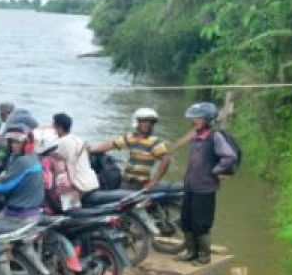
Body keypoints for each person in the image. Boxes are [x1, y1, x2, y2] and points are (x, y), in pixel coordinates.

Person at [178, 102, 236, 265]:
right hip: (190, 186)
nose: (193, 122)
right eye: (193, 119)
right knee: (186, 220)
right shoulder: (196, 137)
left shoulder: (214, 137)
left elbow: (229, 157)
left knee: (201, 224)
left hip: (205, 188)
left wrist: (215, 171)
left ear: (207, 120)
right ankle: (190, 252)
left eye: (197, 119)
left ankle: (204, 256)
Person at [91, 107, 170, 190]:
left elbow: (166, 160)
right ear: (137, 122)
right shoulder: (130, 138)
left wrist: (153, 182)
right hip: (127, 180)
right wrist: (89, 149)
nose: (148, 124)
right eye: (145, 121)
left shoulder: (154, 142)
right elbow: (110, 144)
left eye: (151, 122)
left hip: (141, 183)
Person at [0, 127, 45, 221]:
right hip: (33, 211)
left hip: (18, 215)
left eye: (17, 142)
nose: (13, 145)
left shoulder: (22, 161)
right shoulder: (33, 157)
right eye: (11, 142)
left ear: (27, 144)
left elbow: (5, 187)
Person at [51, 113, 99, 194]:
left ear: (59, 127)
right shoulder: (78, 139)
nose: (53, 128)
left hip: (80, 187)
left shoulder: (61, 142)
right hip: (92, 183)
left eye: (53, 125)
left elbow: (51, 156)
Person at [38, 137, 82, 212]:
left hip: (58, 198)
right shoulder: (60, 159)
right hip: (69, 194)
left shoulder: (45, 161)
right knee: (75, 211)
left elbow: (47, 185)